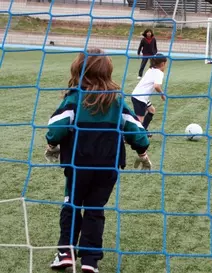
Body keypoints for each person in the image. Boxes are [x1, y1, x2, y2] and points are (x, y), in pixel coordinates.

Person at [45, 48, 151, 273]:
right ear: (108, 72)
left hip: (78, 166)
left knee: (71, 204)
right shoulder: (117, 102)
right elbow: (138, 132)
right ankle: (90, 261)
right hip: (107, 167)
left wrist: (52, 144)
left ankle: (65, 252)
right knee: (95, 208)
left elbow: (55, 128)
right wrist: (142, 152)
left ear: (77, 70)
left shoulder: (74, 99)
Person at [131, 53, 167, 136]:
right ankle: (128, 136)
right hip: (140, 98)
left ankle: (143, 130)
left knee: (151, 110)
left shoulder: (151, 69)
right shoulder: (159, 73)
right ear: (163, 64)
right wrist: (162, 94)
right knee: (139, 120)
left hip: (139, 96)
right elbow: (156, 86)